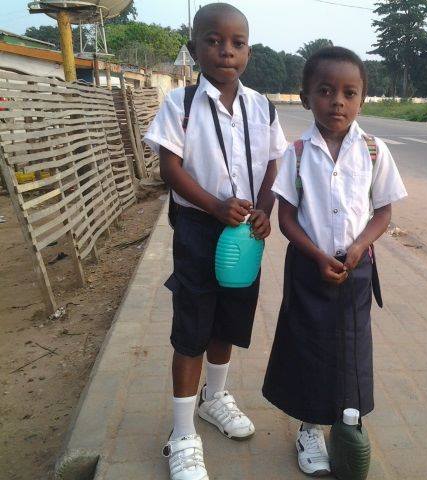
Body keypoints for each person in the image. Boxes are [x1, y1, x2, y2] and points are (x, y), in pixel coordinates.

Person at [143, 4, 288, 479]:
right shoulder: (180, 104)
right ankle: (183, 433)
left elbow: (274, 163)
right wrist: (213, 206)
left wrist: (264, 209)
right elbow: (170, 169)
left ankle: (215, 398)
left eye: (237, 43)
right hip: (199, 228)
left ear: (248, 51)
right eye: (214, 40)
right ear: (194, 48)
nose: (226, 51)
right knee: (192, 328)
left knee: (228, 318)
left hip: (246, 228)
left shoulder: (262, 107)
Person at [262, 46, 407, 476]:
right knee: (309, 345)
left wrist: (360, 246)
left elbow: (383, 211)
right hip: (309, 269)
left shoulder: (374, 150)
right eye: (325, 91)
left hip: (356, 269)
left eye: (349, 92)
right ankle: (309, 428)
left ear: (362, 99)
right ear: (306, 98)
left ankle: (347, 423)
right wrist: (317, 254)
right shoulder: (297, 153)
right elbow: (286, 218)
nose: (337, 102)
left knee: (351, 346)